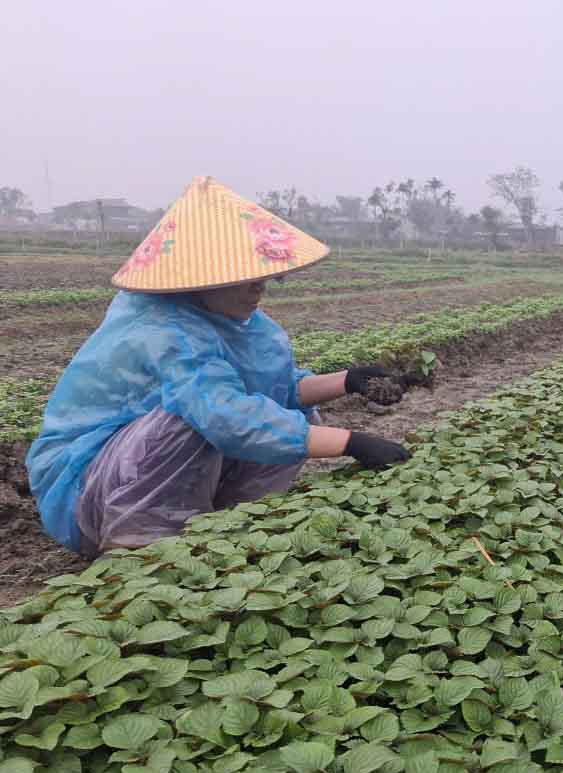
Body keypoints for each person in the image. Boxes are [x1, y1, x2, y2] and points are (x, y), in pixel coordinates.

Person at [26, 176, 412, 558]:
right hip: (91, 489)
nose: (260, 287)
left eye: (264, 277)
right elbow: (226, 415)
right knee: (190, 421)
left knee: (292, 416)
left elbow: (275, 389)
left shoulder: (227, 317)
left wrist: (350, 380)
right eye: (247, 278)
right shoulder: (163, 330)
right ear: (202, 277)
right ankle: (136, 548)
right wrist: (350, 442)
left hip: (142, 464)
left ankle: (223, 524)